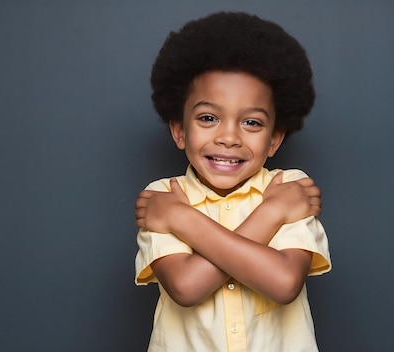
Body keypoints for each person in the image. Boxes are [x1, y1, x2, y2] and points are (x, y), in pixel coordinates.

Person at [134, 11, 331, 352]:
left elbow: (284, 283)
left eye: (251, 123)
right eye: (208, 118)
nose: (229, 137)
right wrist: (272, 214)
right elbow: (186, 287)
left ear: (274, 139)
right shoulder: (164, 197)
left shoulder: (288, 188)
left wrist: (182, 220)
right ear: (180, 130)